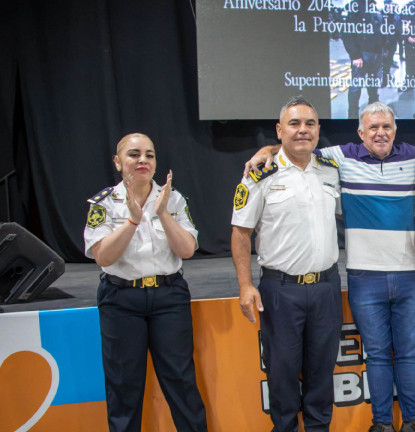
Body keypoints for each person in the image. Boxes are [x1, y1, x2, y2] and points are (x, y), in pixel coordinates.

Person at [245, 101, 415, 432]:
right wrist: (269, 148)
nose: (380, 133)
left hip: (408, 275)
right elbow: (299, 145)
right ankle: (382, 423)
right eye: (372, 128)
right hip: (363, 276)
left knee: (407, 354)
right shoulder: (340, 158)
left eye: (386, 126)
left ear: (396, 130)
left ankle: (413, 420)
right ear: (360, 133)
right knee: (376, 355)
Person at [231, 96, 343, 432]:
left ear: (318, 130)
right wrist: (245, 285)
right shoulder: (259, 173)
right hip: (281, 291)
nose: (302, 130)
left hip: (326, 287)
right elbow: (240, 233)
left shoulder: (331, 171)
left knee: (322, 372)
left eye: (310, 124)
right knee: (281, 373)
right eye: (294, 124)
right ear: (279, 131)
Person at [84, 133, 207, 432]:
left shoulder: (173, 198)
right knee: (123, 386)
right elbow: (103, 255)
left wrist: (162, 213)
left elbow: (187, 250)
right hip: (121, 299)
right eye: (134, 154)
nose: (143, 161)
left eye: (149, 155)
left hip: (169, 297)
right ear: (117, 162)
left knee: (181, 381)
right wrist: (132, 220)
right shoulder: (104, 203)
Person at [342, 0, 386, 118]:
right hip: (362, 54)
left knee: (373, 83)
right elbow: (347, 32)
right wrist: (355, 55)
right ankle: (352, 116)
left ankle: (373, 109)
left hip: (376, 54)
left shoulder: (375, 6)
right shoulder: (354, 5)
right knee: (356, 86)